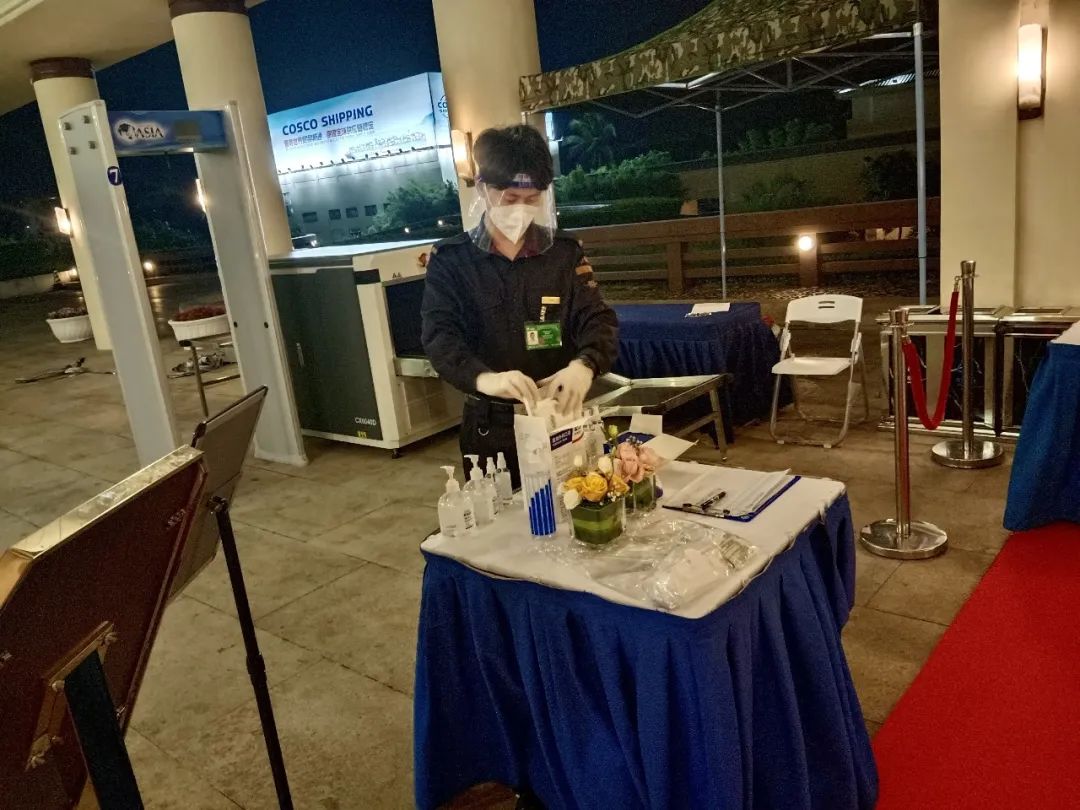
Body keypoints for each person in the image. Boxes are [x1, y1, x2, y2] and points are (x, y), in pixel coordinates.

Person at [421, 124, 618, 488]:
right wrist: (487, 378)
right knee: (500, 516)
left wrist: (585, 365)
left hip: (560, 418)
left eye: (532, 199)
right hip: (491, 424)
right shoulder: (452, 261)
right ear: (483, 188)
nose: (521, 210)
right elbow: (440, 338)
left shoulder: (563, 254)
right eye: (511, 198)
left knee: (574, 502)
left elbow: (598, 319)